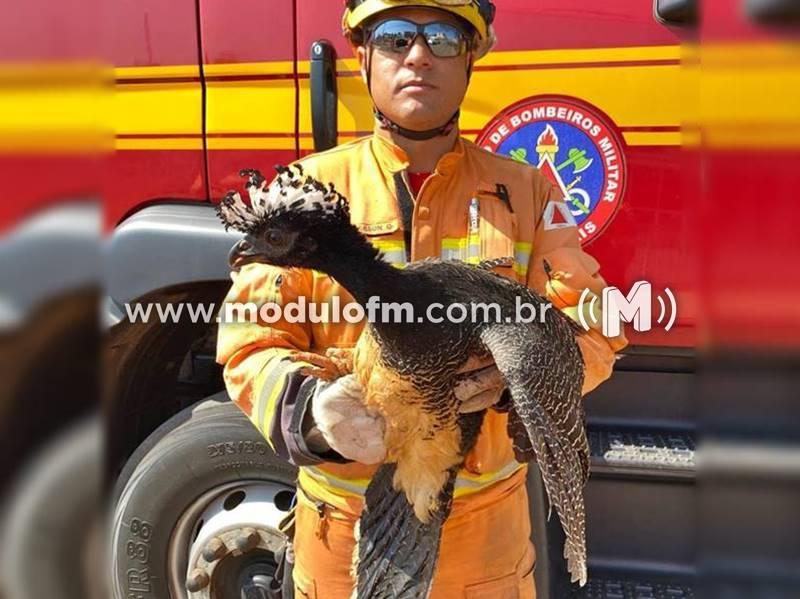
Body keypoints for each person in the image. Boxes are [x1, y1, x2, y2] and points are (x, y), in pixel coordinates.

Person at [216, 1, 628, 597]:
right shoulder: (307, 195)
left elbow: (595, 324)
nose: (417, 55)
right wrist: (312, 410)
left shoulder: (528, 190)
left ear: (471, 61)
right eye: (393, 37)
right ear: (361, 57)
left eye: (442, 38)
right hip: (343, 539)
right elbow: (250, 345)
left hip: (487, 544)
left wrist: (523, 376)